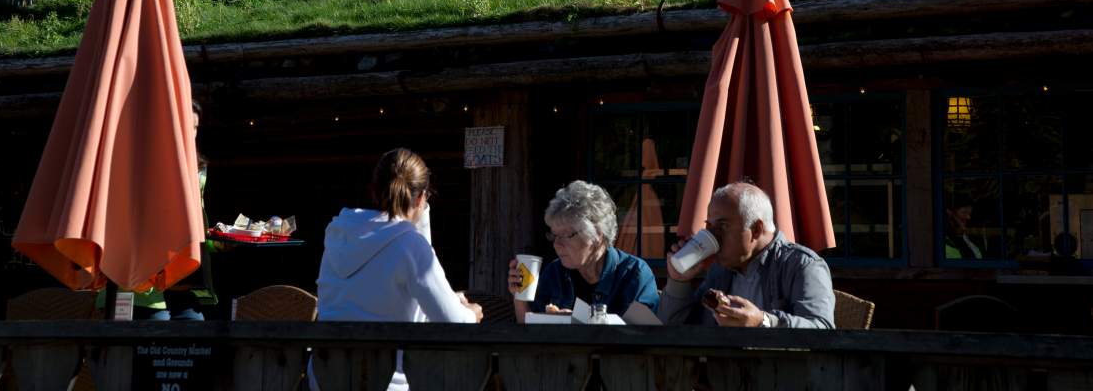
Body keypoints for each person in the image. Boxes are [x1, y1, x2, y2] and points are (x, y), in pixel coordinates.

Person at [313, 148, 480, 391]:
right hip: (386, 383)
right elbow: (454, 323)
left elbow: (373, 296)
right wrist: (471, 314)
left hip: (325, 378)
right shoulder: (410, 245)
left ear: (373, 189)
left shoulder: (339, 233)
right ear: (422, 198)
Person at [660, 182, 834, 328]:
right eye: (710, 226)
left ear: (757, 229)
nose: (713, 236)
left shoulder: (801, 265)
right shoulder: (720, 269)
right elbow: (673, 329)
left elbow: (821, 330)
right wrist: (679, 281)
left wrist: (764, 321)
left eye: (722, 226)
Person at [507, 180, 658, 323]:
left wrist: (578, 324)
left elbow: (642, 337)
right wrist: (519, 297)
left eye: (567, 235)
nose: (557, 244)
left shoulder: (634, 274)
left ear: (597, 235)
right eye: (554, 235)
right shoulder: (554, 273)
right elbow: (529, 332)